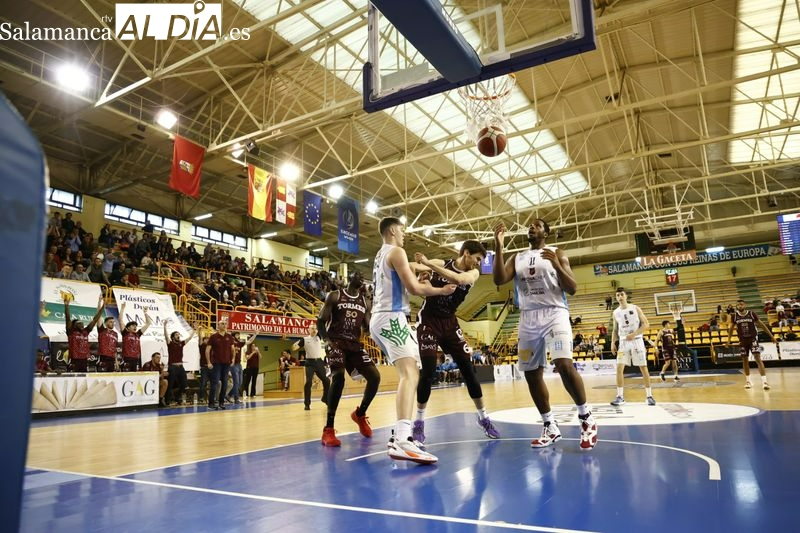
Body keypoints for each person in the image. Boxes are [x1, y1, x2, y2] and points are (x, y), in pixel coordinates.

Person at [492, 220, 598, 451]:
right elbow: (499, 280)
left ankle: (586, 418)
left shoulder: (557, 253)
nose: (532, 227)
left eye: (538, 225)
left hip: (555, 314)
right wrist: (499, 246)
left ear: (546, 233)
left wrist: (558, 266)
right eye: (530, 225)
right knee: (531, 373)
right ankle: (549, 425)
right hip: (528, 318)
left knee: (563, 364)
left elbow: (572, 288)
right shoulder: (517, 257)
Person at [369, 217, 457, 464]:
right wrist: (440, 290)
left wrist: (420, 276)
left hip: (384, 317)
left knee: (412, 370)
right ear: (393, 230)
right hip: (390, 317)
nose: (405, 234)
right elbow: (415, 290)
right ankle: (402, 440)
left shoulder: (382, 254)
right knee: (410, 374)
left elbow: (407, 280)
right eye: (403, 230)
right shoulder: (396, 251)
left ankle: (399, 433)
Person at [410, 242, 500, 444]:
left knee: (469, 370)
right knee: (428, 370)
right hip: (428, 321)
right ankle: (419, 422)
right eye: (477, 258)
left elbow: (458, 279)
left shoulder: (473, 274)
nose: (478, 263)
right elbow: (411, 266)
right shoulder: (442, 262)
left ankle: (483, 417)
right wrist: (419, 277)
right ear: (466, 253)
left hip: (450, 323)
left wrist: (428, 265)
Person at [316, 271, 381, 447]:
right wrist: (327, 342)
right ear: (349, 278)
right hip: (336, 342)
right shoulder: (335, 295)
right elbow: (320, 321)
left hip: (354, 344)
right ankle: (328, 429)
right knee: (338, 379)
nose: (361, 277)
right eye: (357, 274)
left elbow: (368, 327)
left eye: (362, 276)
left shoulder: (365, 301)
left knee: (375, 377)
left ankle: (360, 414)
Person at [609, 287, 656, 406]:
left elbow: (646, 324)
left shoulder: (635, 308)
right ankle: (620, 397)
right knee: (619, 368)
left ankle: (649, 396)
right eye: (618, 295)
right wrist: (612, 342)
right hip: (623, 343)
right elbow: (615, 330)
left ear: (626, 296)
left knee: (643, 368)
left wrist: (634, 334)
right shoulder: (615, 312)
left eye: (621, 294)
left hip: (637, 340)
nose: (620, 297)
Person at [728, 299, 775, 390]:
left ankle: (764, 382)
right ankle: (748, 381)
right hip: (742, 340)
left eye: (741, 304)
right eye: (738, 305)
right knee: (745, 360)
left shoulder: (752, 314)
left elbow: (762, 325)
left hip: (753, 339)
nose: (740, 306)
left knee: (757, 357)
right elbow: (731, 329)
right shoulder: (734, 316)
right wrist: (728, 340)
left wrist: (771, 336)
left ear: (745, 305)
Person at [292, 324, 330, 411]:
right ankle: (307, 404)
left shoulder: (319, 337)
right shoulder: (305, 339)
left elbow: (323, 328)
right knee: (308, 382)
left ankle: (325, 398)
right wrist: (295, 346)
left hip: (319, 362)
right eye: (312, 328)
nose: (314, 330)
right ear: (308, 330)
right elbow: (294, 348)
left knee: (327, 380)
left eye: (315, 328)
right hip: (309, 363)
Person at [63, 294, 104, 372]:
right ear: (74, 325)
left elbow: (95, 319)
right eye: (79, 323)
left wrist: (103, 306)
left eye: (82, 323)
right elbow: (68, 318)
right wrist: (66, 305)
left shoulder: (86, 331)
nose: (82, 324)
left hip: (84, 360)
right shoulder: (71, 332)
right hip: (74, 360)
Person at [206, 319, 237, 409]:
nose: (224, 325)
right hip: (216, 363)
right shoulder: (213, 337)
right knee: (215, 382)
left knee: (225, 383)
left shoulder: (229, 337)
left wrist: (233, 359)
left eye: (225, 324)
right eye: (222, 324)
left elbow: (232, 349)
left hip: (226, 363)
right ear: (218, 325)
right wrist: (208, 362)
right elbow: (207, 350)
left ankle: (221, 402)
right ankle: (211, 403)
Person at [164, 318, 196, 405]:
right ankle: (167, 401)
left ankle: (178, 398)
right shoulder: (170, 344)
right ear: (173, 337)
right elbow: (166, 336)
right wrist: (164, 326)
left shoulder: (181, 343)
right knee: (170, 385)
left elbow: (189, 337)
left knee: (184, 385)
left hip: (181, 367)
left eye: (179, 334)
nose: (178, 336)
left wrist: (194, 329)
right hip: (172, 367)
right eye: (176, 335)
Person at [118, 302, 152, 371]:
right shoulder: (125, 333)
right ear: (128, 328)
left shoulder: (138, 334)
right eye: (133, 325)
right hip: (127, 359)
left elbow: (148, 323)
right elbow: (120, 320)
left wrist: (145, 312)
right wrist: (122, 308)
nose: (135, 327)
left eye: (136, 326)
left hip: (136, 359)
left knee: (134, 378)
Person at [229, 331, 257, 404]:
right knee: (236, 382)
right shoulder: (230, 342)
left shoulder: (239, 343)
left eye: (239, 335)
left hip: (239, 364)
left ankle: (229, 395)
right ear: (234, 335)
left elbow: (249, 341)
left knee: (240, 382)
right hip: (233, 364)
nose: (239, 336)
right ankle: (236, 398)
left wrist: (255, 334)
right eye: (237, 334)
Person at [96, 302, 120, 372]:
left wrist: (117, 363)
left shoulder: (115, 334)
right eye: (110, 322)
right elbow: (98, 316)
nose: (112, 323)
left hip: (112, 360)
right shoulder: (102, 330)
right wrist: (99, 303)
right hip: (103, 358)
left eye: (113, 322)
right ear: (105, 323)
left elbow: (115, 349)